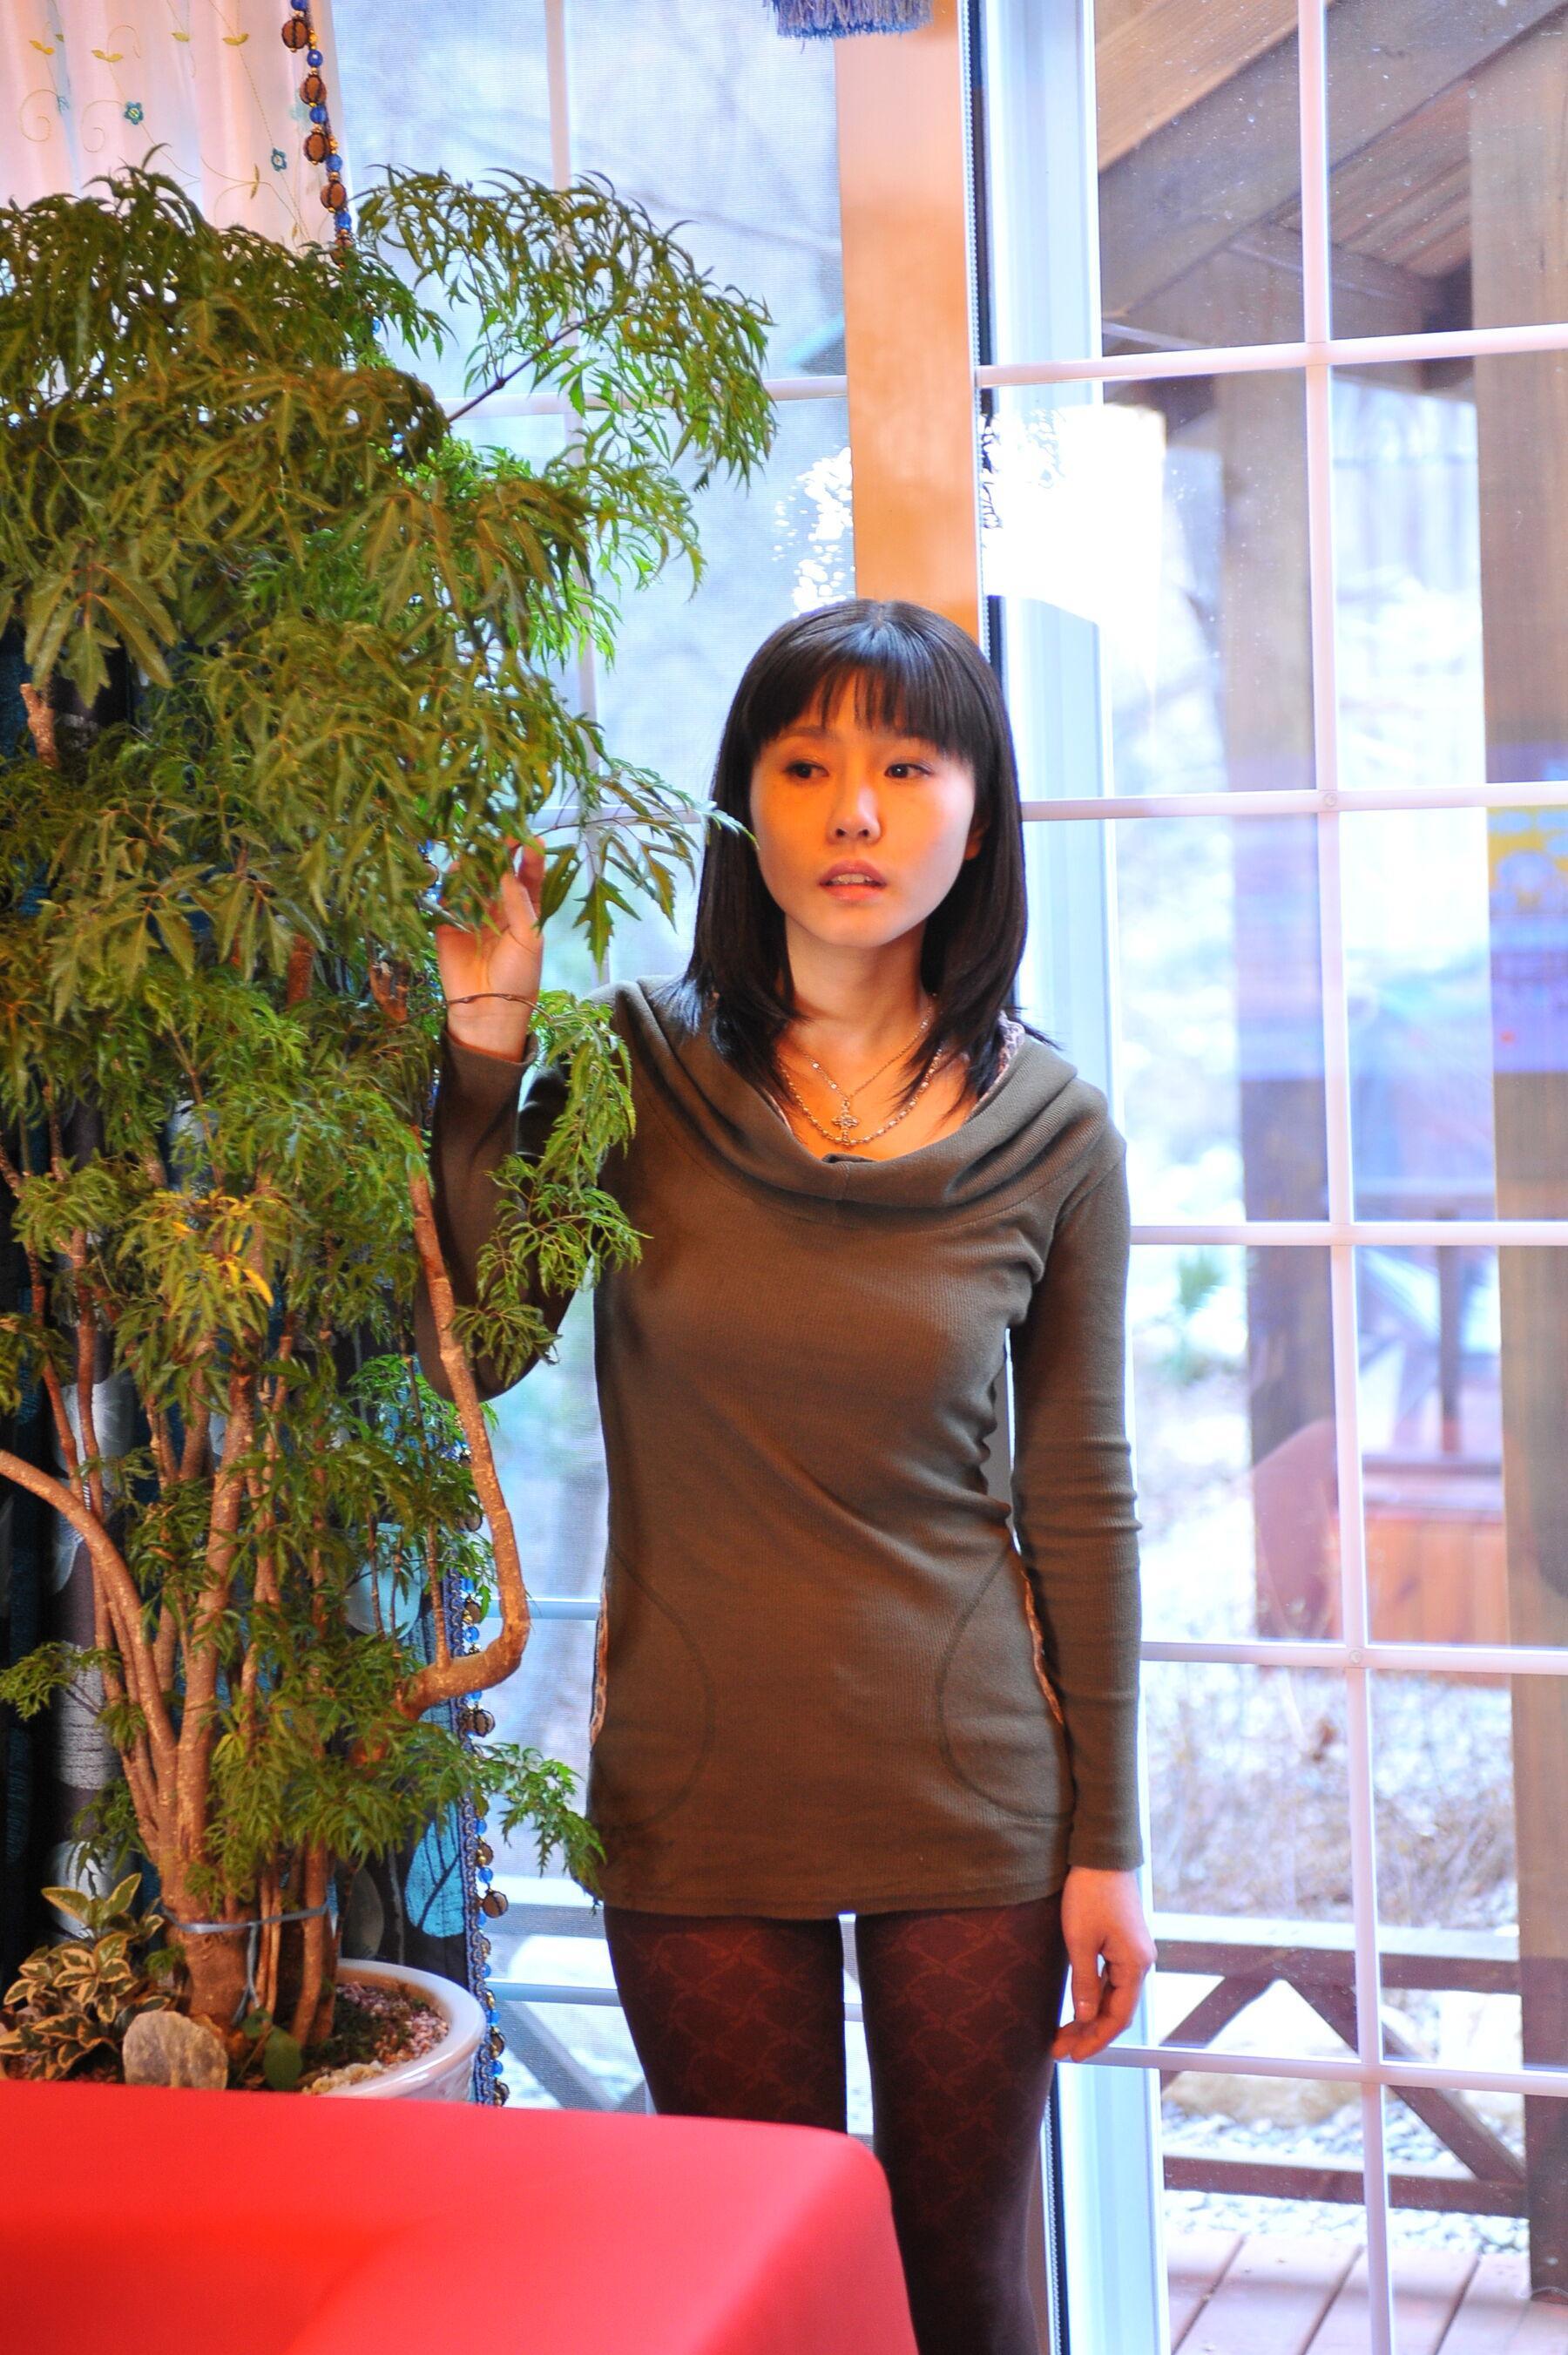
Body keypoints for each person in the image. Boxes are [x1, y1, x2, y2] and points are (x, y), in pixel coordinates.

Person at [416, 597, 1154, 2355]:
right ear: (743, 803)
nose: (856, 814)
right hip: (700, 1778)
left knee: (963, 2287)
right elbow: (493, 1338)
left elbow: (1081, 1490)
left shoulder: (1056, 1132)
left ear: (980, 811)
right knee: (771, 2290)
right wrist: (486, 1057)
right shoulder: (634, 1069)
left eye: (909, 768)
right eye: (807, 766)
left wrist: (1111, 1845)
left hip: (971, 1786)